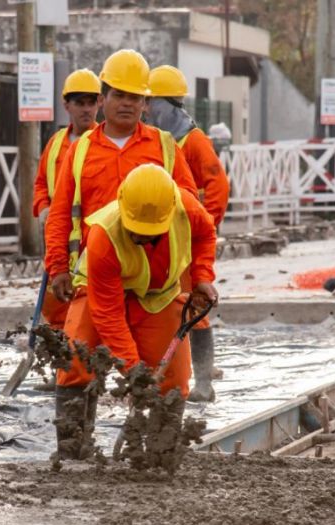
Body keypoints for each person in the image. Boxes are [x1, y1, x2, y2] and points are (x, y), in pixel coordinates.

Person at [54, 164, 218, 460]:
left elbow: (206, 235)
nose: (142, 240)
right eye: (136, 233)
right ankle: (72, 451)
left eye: (151, 234)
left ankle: (159, 455)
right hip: (99, 292)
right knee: (76, 358)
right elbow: (109, 316)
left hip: (158, 296)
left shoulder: (187, 209)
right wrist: (134, 373)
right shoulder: (104, 237)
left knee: (174, 377)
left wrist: (202, 276)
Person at [44, 49, 198, 322]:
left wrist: (198, 275)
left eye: (135, 97)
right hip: (94, 275)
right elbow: (60, 215)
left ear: (145, 103)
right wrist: (58, 268)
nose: (127, 103)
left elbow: (190, 214)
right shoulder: (80, 151)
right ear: (103, 99)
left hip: (152, 283)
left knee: (163, 365)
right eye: (119, 95)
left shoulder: (165, 147)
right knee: (79, 362)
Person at [145, 64, 231, 402]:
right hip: (157, 239)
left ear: (167, 104)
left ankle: (204, 382)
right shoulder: (156, 140)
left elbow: (217, 185)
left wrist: (203, 226)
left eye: (151, 103)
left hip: (188, 240)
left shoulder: (193, 141)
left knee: (194, 304)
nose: (146, 110)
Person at [33, 68, 101, 329]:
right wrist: (43, 208)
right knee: (57, 302)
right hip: (60, 239)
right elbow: (41, 183)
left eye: (90, 103)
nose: (86, 109)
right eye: (79, 103)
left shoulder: (102, 143)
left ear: (99, 104)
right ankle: (60, 356)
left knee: (91, 303)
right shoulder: (55, 144)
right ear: (67, 105)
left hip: (90, 240)